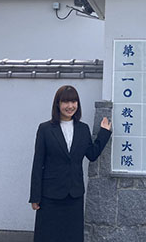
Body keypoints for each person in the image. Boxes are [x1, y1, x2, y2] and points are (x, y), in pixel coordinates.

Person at [29, 85, 112, 242]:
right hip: (50, 196)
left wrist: (104, 133)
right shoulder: (45, 129)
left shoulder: (83, 129)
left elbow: (92, 155)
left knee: (72, 236)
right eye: (65, 102)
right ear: (58, 104)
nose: (70, 106)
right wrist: (35, 196)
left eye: (73, 101)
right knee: (48, 236)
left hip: (74, 195)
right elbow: (38, 164)